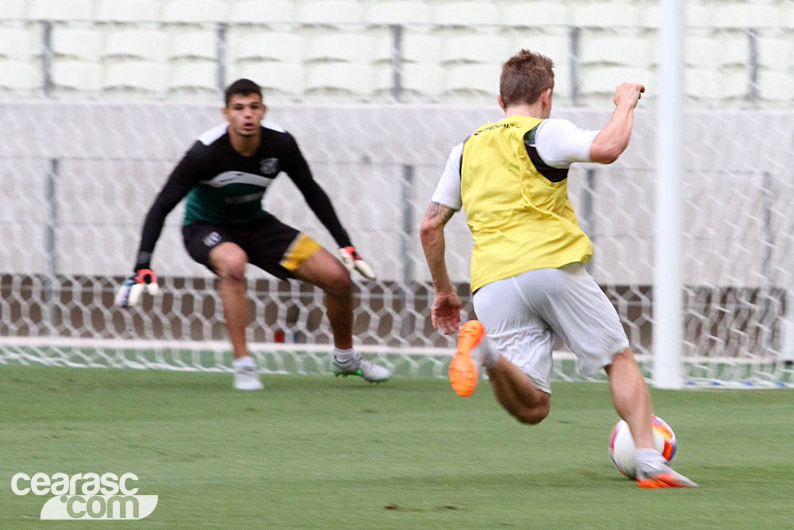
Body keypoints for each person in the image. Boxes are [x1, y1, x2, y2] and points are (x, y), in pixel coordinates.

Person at [419, 50, 696, 488]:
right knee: (617, 358)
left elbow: (431, 224)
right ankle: (650, 462)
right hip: (550, 268)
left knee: (534, 408)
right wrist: (624, 103)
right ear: (546, 96)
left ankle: (485, 351)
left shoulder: (465, 149)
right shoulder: (545, 132)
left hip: (491, 285)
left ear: (500, 99)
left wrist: (443, 291)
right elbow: (608, 147)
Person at [117, 78, 391, 390]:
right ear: (226, 114)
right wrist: (143, 264)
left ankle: (345, 357)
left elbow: (311, 191)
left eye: (253, 107)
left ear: (263, 111)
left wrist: (346, 244)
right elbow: (161, 205)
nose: (247, 115)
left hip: (257, 225)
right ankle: (244, 364)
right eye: (239, 108)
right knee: (234, 263)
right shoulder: (205, 152)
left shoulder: (280, 144)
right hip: (205, 229)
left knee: (338, 278)